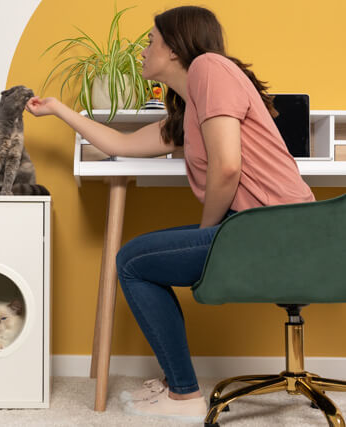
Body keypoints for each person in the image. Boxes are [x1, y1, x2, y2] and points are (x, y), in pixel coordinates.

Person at [25, 5, 315, 422]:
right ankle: (181, 389)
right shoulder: (190, 105)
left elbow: (227, 166)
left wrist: (207, 233)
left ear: (176, 48)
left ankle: (184, 396)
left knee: (132, 261)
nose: (143, 49)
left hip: (271, 230)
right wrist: (58, 110)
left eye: (150, 40)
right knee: (138, 259)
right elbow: (118, 145)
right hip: (264, 230)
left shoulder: (209, 68)